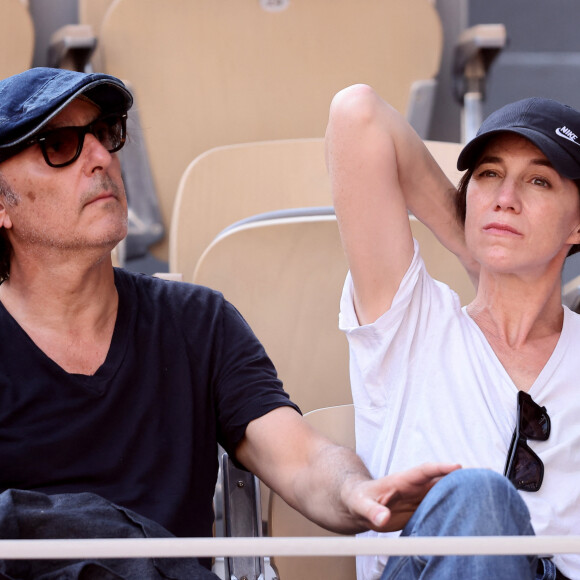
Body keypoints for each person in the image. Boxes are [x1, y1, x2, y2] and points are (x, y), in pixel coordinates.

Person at [0, 67, 459, 579]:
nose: (101, 158)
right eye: (60, 145)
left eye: (105, 133)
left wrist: (357, 492)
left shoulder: (197, 322)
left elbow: (300, 457)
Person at [326, 82, 580, 580]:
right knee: (479, 497)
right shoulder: (413, 324)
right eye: (489, 175)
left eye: (538, 182)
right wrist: (472, 248)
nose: (505, 198)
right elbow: (357, 116)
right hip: (429, 568)